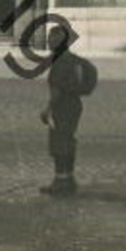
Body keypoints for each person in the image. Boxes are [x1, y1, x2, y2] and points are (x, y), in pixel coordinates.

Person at [39, 24, 87, 196]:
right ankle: (69, 179)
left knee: (59, 143)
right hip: (75, 105)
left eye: (51, 39)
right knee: (68, 140)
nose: (49, 43)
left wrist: (47, 110)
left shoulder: (59, 62)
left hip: (63, 107)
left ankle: (60, 182)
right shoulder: (72, 58)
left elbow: (56, 91)